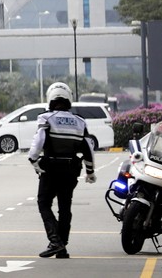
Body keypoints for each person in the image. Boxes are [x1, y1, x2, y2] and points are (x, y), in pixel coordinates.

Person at [28, 82, 96, 259]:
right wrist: (90, 171)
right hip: (71, 170)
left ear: (50, 99)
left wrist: (33, 159)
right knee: (65, 206)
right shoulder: (80, 122)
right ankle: (62, 246)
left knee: (44, 203)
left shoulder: (46, 118)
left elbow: (39, 141)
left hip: (50, 168)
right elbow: (87, 147)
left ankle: (55, 241)